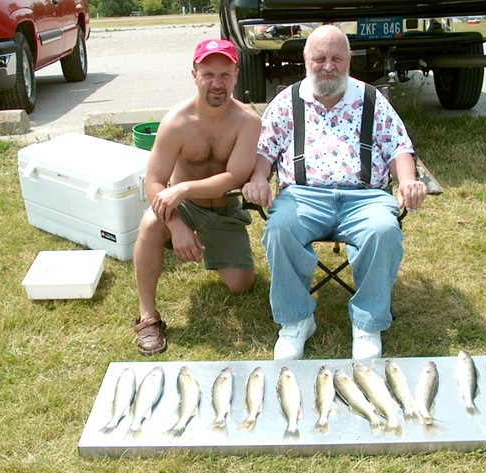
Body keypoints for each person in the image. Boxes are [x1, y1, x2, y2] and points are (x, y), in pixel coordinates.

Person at [242, 25, 428, 361]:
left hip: (365, 198)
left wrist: (408, 180)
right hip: (302, 196)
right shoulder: (286, 102)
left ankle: (368, 324)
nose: (328, 66)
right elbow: (264, 151)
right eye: (320, 58)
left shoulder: (372, 99)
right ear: (305, 60)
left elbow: (399, 147)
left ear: (349, 60)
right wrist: (257, 178)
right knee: (279, 229)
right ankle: (296, 320)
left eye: (337, 58)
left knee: (384, 230)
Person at [133, 39, 261, 355]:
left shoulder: (248, 121)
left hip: (224, 208)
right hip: (184, 208)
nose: (217, 83)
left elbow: (235, 177)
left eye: (225, 75)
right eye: (208, 75)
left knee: (241, 285)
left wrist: (185, 187)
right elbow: (154, 181)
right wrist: (176, 225)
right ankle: (148, 317)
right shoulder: (176, 122)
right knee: (150, 224)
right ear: (194, 75)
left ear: (236, 75)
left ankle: (209, 246)